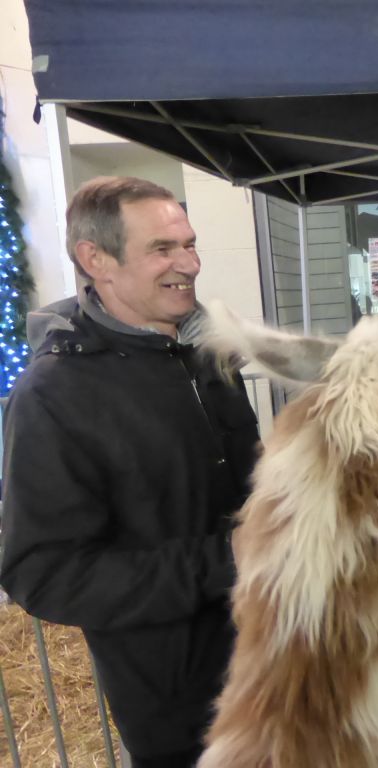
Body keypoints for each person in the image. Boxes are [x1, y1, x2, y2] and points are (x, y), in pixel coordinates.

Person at [0, 177, 260, 767]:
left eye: (189, 245)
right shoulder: (53, 395)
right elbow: (45, 573)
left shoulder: (208, 358)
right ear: (96, 259)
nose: (189, 264)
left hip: (277, 671)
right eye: (162, 249)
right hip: (181, 710)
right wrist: (228, 558)